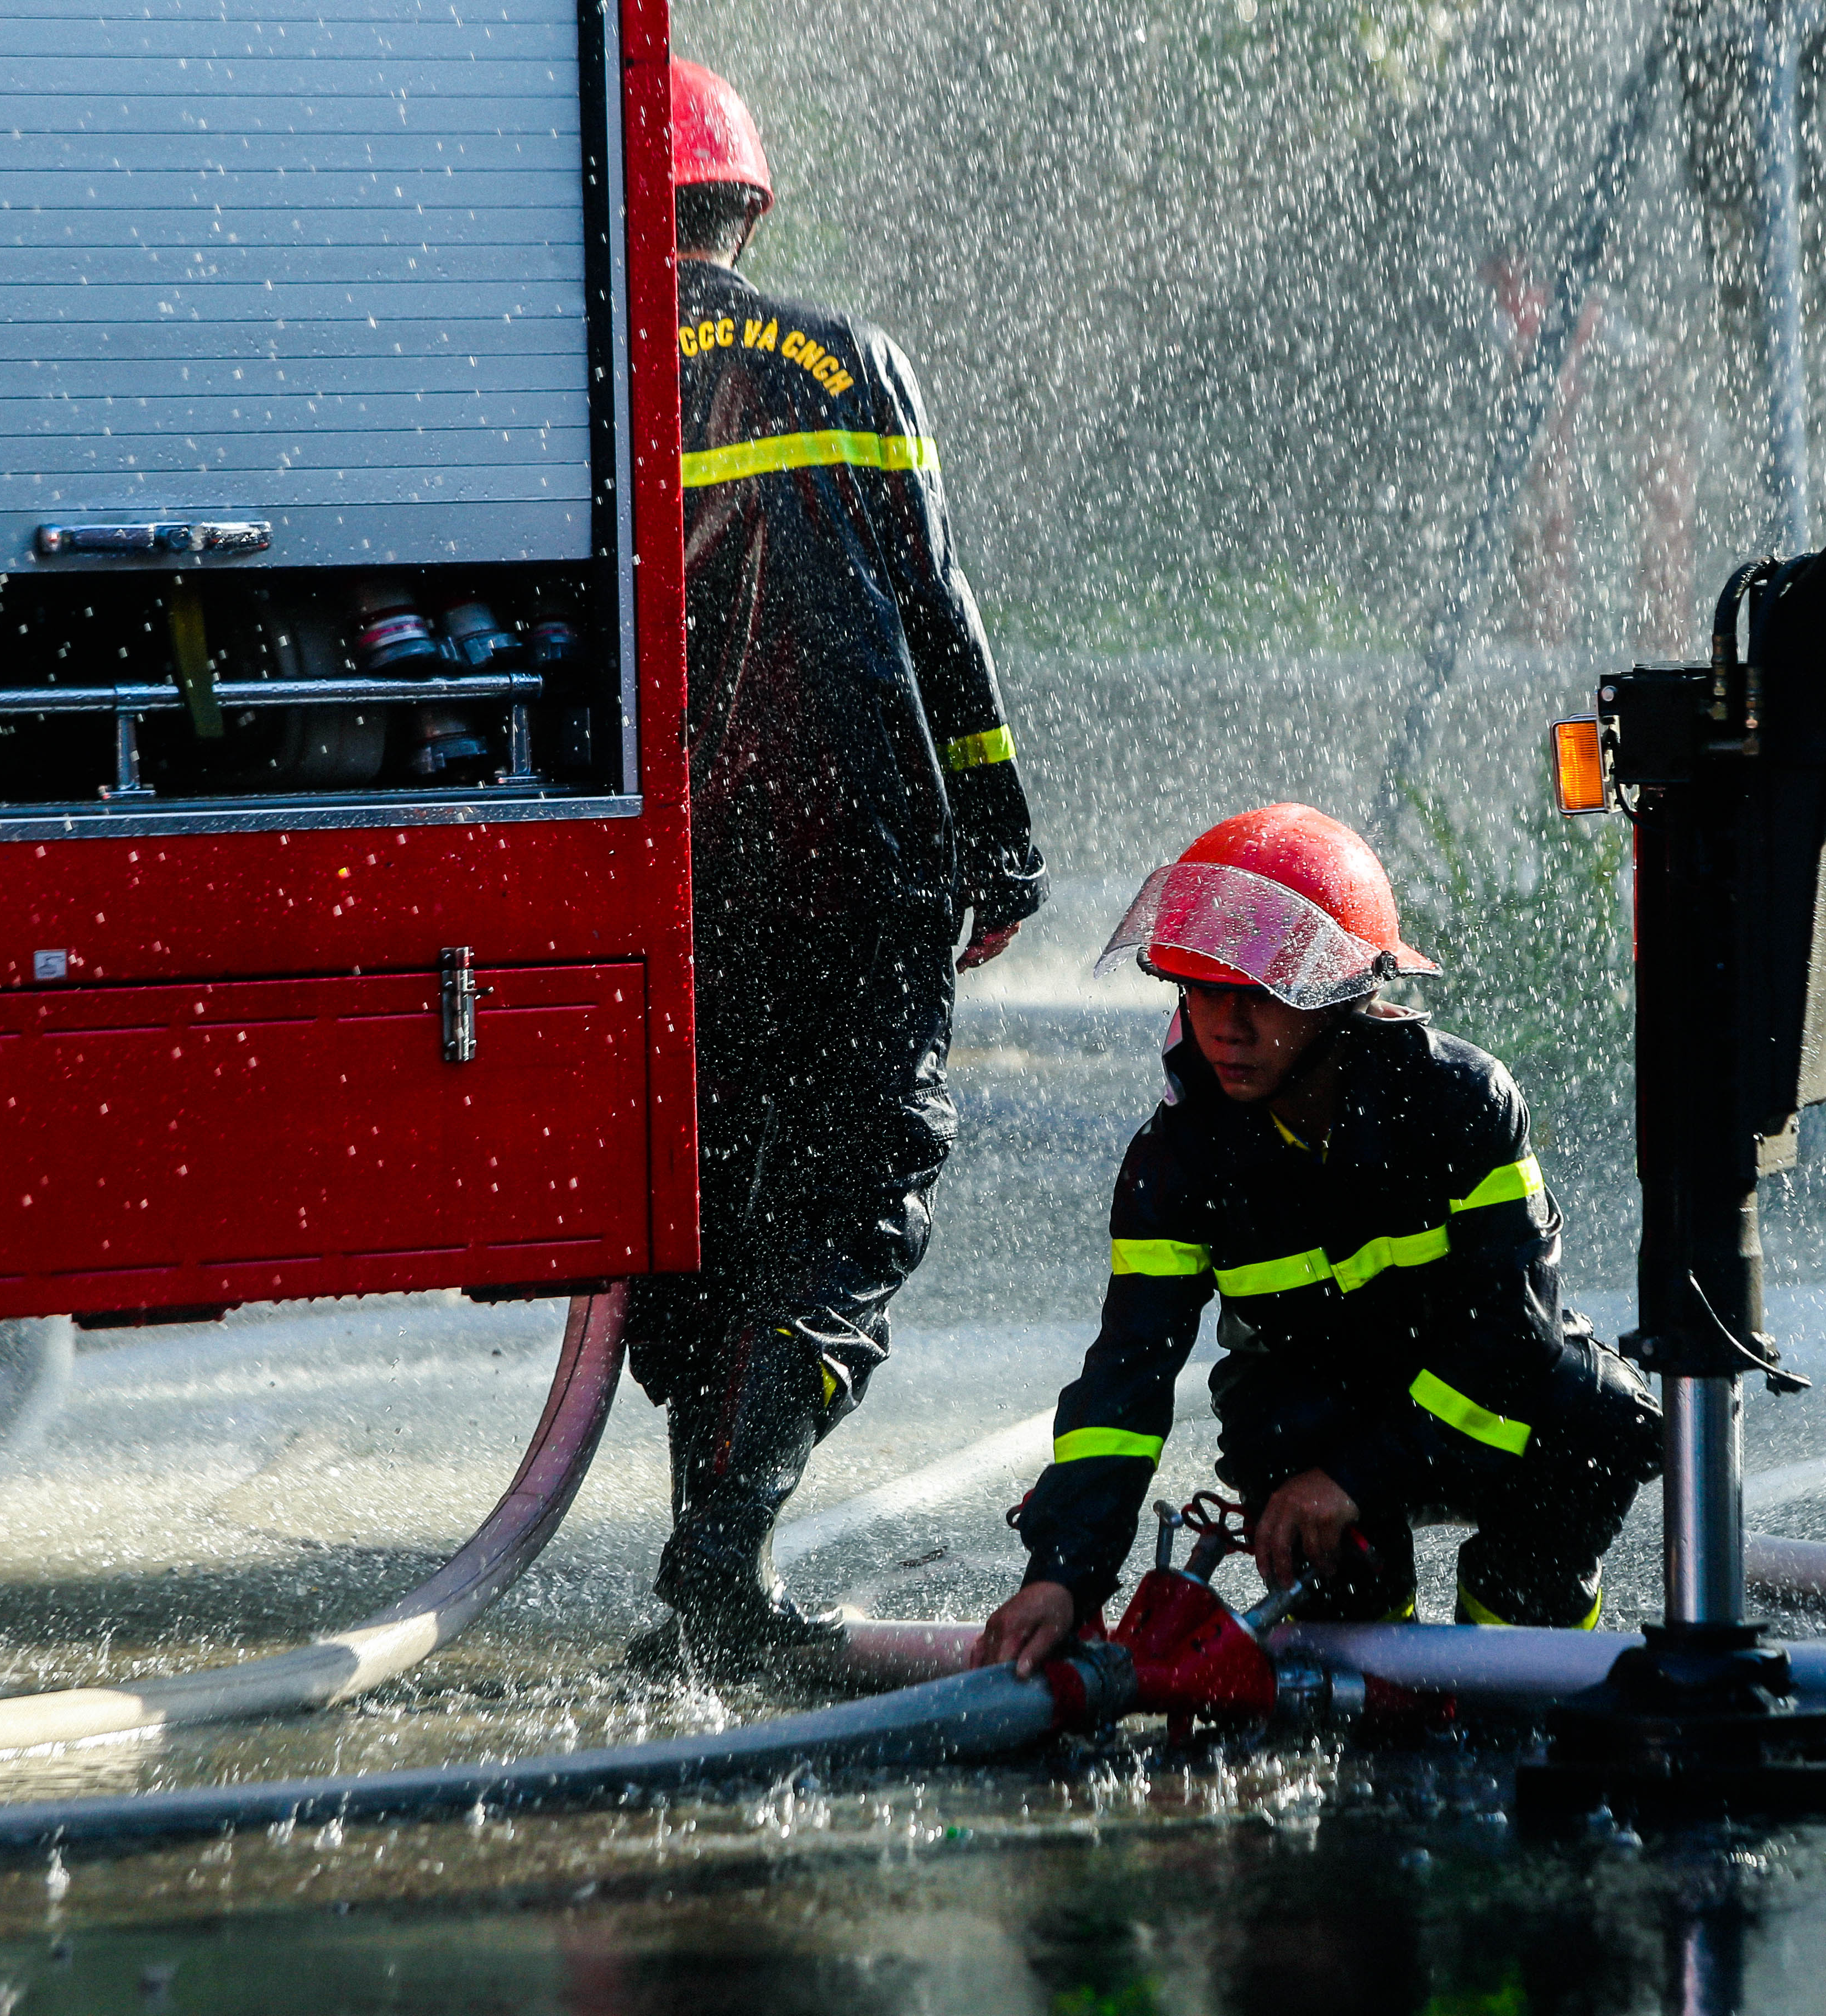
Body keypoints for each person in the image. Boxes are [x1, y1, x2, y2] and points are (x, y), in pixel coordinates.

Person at [629, 60, 1046, 1671]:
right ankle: (719, 1571)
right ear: (744, 205)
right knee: (854, 1202)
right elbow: (934, 611)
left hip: (674, 891)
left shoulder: (586, 373)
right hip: (859, 867)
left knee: (712, 1216)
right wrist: (1001, 841)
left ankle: (705, 1571)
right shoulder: (843, 355)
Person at [972, 805, 1659, 1677]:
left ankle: (1525, 1669)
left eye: (1258, 996)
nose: (1225, 1027)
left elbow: (1510, 1335)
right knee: (1336, 1586)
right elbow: (1125, 1381)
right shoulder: (1176, 1162)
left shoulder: (1461, 1103)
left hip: (1467, 1401)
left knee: (1595, 1418)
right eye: (1203, 990)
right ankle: (1378, 1677)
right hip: (1310, 1428)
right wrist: (1062, 1577)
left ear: (1344, 996)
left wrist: (1364, 1476)